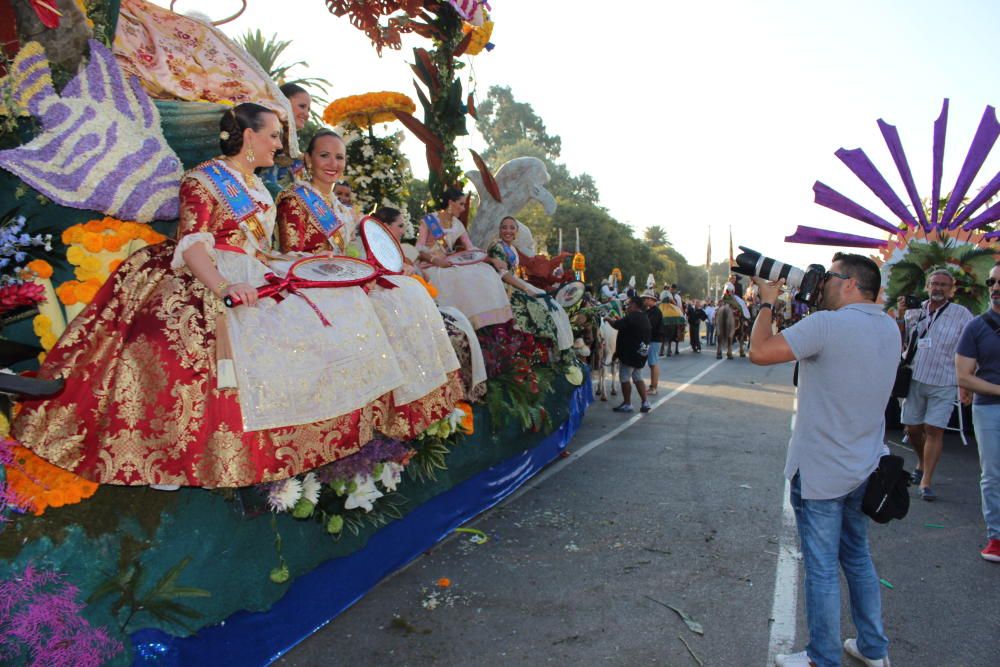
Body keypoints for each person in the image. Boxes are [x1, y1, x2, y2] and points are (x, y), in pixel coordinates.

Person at [13, 104, 407, 488]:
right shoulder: (202, 179)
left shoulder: (258, 188)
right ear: (249, 135)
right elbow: (193, 245)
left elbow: (261, 249)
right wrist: (223, 287)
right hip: (205, 275)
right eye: (272, 135)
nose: (278, 145)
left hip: (253, 272)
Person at [749, 253, 896, 667]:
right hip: (865, 465)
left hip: (820, 471)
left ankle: (822, 657)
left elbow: (759, 352)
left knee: (821, 568)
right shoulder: (890, 326)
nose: (820, 283)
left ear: (849, 283)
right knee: (857, 557)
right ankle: (873, 648)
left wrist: (765, 301)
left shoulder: (826, 326)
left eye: (828, 276)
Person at [275, 130, 464, 440]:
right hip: (314, 281)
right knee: (387, 305)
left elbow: (356, 248)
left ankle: (409, 402)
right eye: (324, 155)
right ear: (308, 158)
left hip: (345, 276)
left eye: (339, 157)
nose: (333, 163)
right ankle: (380, 409)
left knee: (409, 291)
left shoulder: (342, 206)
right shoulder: (295, 198)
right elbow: (294, 254)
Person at [896, 269, 973, 501]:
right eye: (934, 284)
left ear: (951, 289)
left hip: (945, 380)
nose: (938, 288)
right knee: (912, 429)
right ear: (927, 286)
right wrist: (900, 315)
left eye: (943, 285)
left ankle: (926, 480)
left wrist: (966, 381)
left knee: (934, 429)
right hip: (915, 378)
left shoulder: (962, 315)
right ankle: (921, 462)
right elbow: (901, 342)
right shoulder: (915, 311)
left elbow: (970, 347)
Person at [416, 188, 513, 329]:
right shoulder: (429, 221)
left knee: (484, 271)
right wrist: (436, 261)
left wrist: (492, 260)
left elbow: (471, 249)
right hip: (430, 265)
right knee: (461, 277)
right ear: (450, 203)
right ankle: (461, 323)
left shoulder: (458, 225)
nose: (463, 209)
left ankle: (488, 320)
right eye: (461, 204)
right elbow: (418, 249)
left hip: (448, 262)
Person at [955, 262, 1000, 562]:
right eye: (992, 282)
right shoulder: (976, 327)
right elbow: (963, 376)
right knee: (993, 475)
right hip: (989, 410)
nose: (995, 289)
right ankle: (996, 537)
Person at [486, 216, 574, 350]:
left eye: (512, 228)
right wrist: (526, 289)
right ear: (499, 230)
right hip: (502, 287)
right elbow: (504, 274)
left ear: (517, 232)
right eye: (504, 227)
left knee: (547, 300)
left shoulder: (513, 249)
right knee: (535, 305)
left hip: (513, 284)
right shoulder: (497, 247)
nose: (508, 231)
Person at [610, 295, 652, 414]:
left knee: (624, 378)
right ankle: (645, 402)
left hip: (630, 354)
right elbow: (625, 326)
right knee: (638, 377)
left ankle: (627, 403)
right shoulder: (644, 317)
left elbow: (616, 325)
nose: (627, 307)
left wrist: (608, 319)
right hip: (641, 353)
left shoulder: (632, 317)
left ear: (634, 305)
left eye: (629, 304)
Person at [642, 290, 663, 395]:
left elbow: (650, 326)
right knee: (640, 359)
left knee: (653, 363)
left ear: (651, 300)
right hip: (646, 340)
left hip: (653, 340)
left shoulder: (656, 312)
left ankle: (653, 387)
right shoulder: (649, 311)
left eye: (645, 299)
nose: (644, 301)